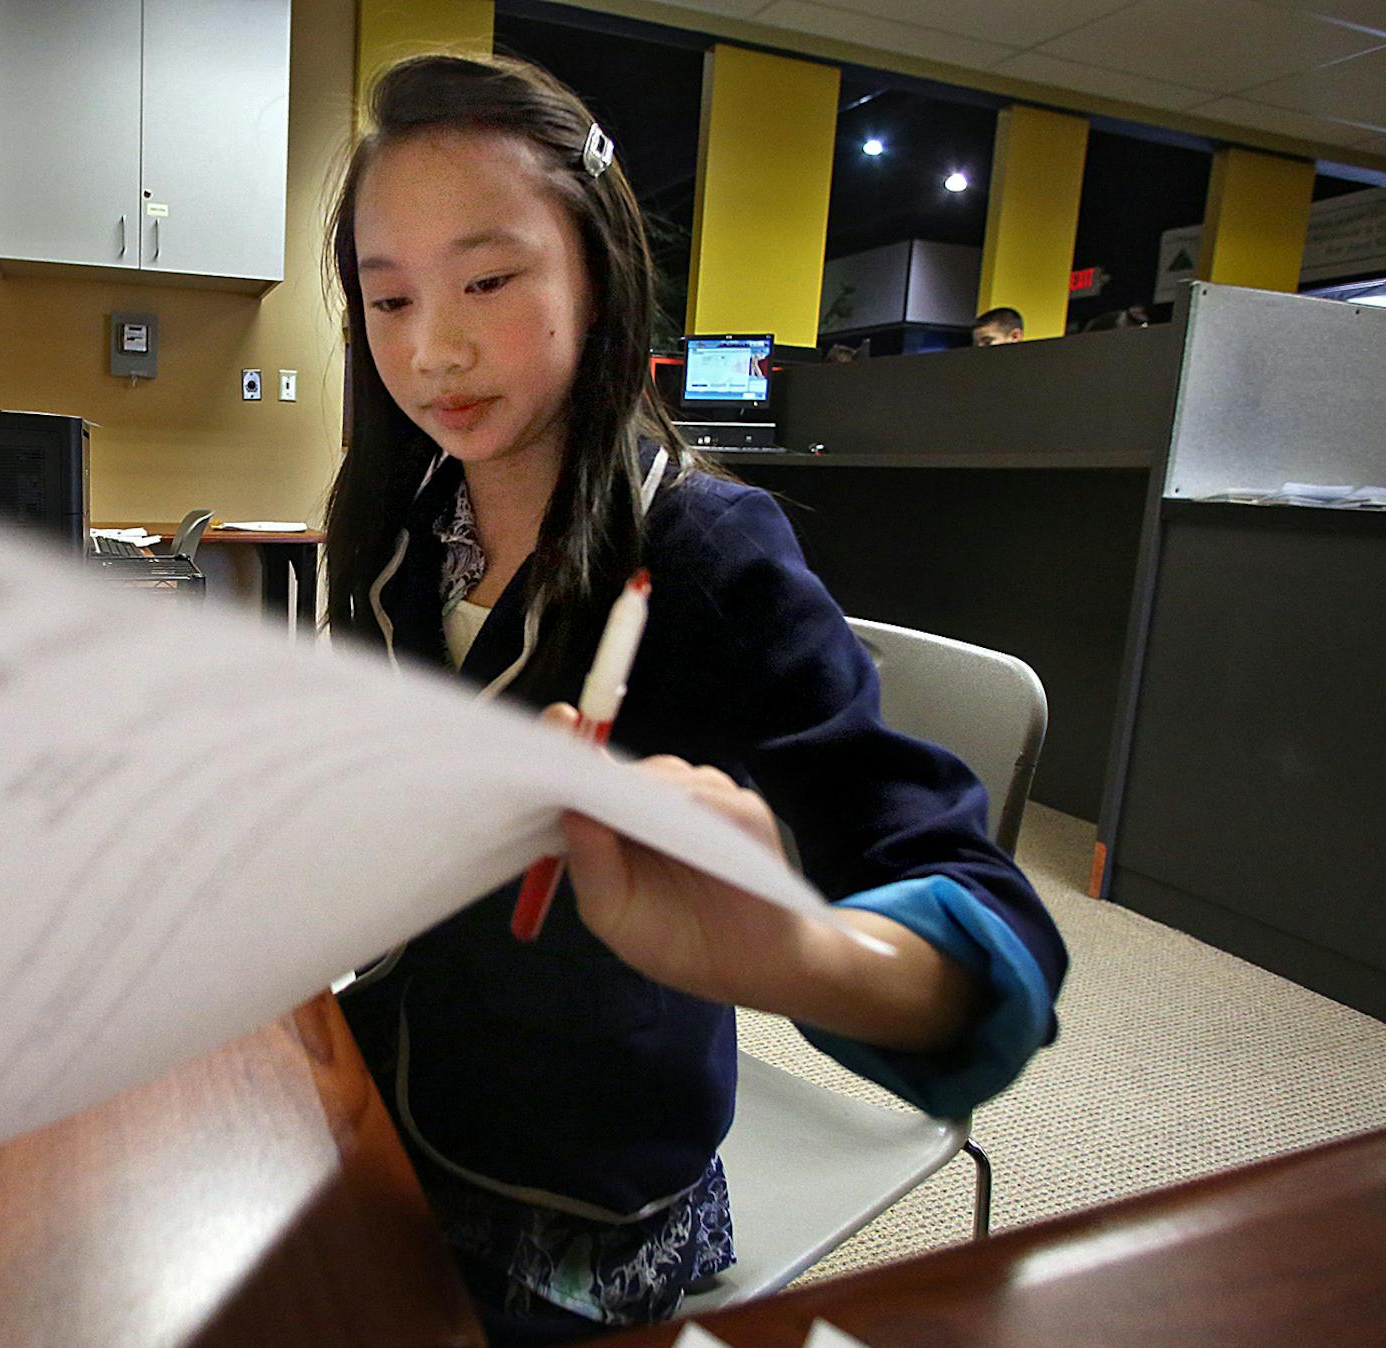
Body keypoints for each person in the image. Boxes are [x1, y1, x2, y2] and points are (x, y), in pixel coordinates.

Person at [322, 54, 1067, 1344]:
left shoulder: (708, 555)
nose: (432, 348)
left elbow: (987, 922)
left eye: (489, 282)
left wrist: (807, 954)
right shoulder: (392, 517)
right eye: (387, 300)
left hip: (574, 1189)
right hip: (381, 1084)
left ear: (596, 271)